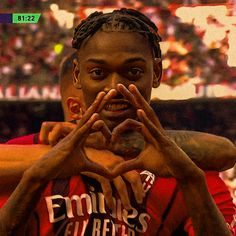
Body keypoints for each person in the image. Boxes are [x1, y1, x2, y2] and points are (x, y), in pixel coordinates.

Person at [0, 11, 236, 234]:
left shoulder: (188, 170)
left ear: (156, 73)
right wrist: (37, 176)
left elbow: (226, 152)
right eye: (98, 73)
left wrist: (190, 180)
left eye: (133, 72)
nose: (114, 89)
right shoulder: (28, 156)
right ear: (77, 75)